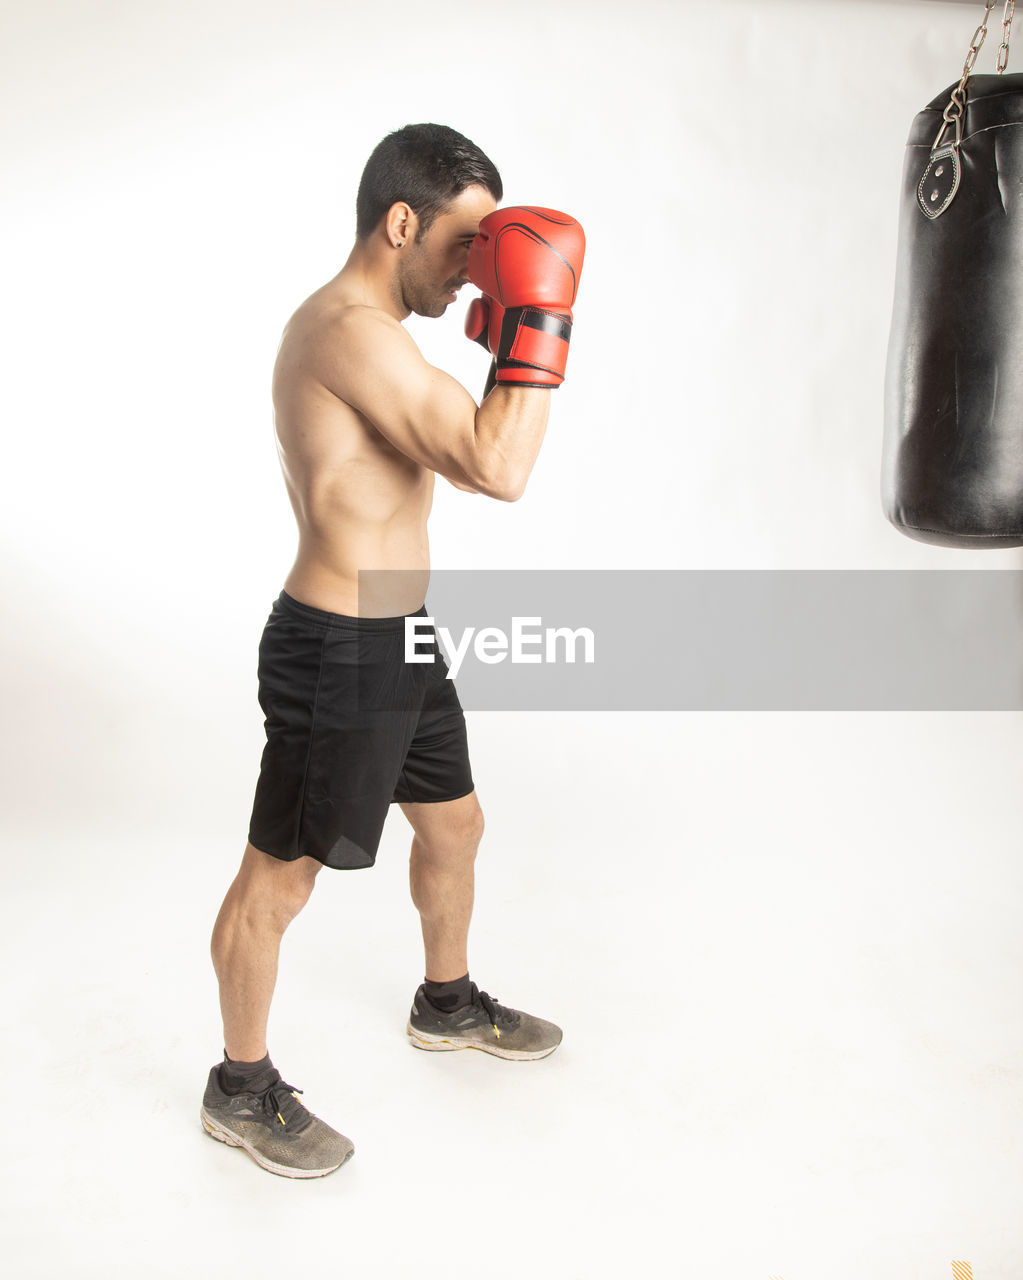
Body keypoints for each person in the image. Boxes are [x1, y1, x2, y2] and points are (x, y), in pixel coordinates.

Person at [199, 123, 585, 1179]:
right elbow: (496, 467)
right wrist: (538, 319)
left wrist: (510, 327)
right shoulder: (348, 333)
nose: (475, 272)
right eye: (466, 245)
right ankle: (239, 1085)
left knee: (455, 823)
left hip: (401, 633)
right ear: (400, 221)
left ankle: (446, 1001)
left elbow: (464, 461)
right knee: (278, 881)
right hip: (339, 648)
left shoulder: (381, 335)